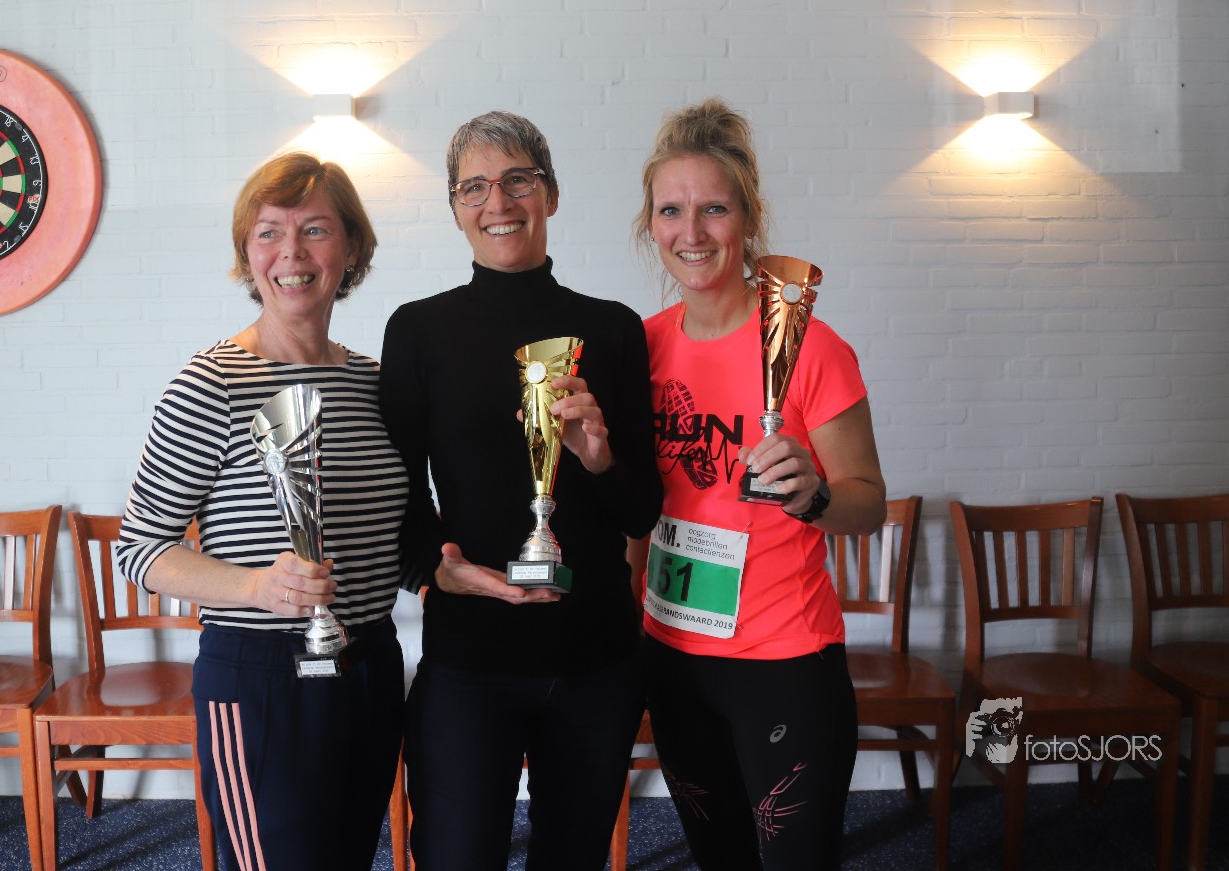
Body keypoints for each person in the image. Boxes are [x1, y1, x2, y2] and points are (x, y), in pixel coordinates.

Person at [380, 111, 662, 870]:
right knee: (453, 857)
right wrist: (437, 573)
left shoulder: (613, 329)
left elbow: (642, 510)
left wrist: (599, 458)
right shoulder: (418, 330)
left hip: (595, 658)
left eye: (517, 180)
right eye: (473, 186)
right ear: (455, 208)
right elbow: (399, 491)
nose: (497, 201)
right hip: (469, 660)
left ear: (551, 195)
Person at [116, 152, 408, 871]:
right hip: (260, 678)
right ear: (247, 254)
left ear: (352, 247)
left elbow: (390, 537)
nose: (291, 253)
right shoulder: (210, 383)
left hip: (369, 662)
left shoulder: (375, 384)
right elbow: (140, 548)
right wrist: (255, 586)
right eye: (269, 233)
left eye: (315, 230)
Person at [632, 99, 886, 870]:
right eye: (671, 210)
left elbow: (868, 503)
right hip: (673, 654)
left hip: (784, 662)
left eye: (714, 208)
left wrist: (815, 494)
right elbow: (636, 511)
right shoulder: (642, 347)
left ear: (748, 218)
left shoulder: (812, 347)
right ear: (650, 225)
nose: (692, 231)